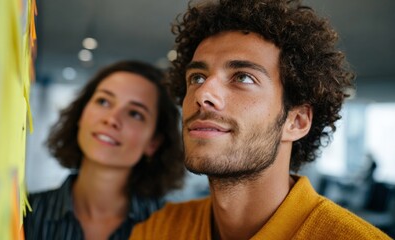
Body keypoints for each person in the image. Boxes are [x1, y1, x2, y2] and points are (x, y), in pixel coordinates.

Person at [129, 0, 391, 239]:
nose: (203, 93)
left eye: (243, 77)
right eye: (197, 78)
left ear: (296, 122)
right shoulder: (158, 230)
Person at [23, 60, 185, 240]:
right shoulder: (24, 215)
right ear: (81, 115)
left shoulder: (173, 229)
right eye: (103, 101)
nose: (112, 119)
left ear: (153, 142)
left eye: (135, 114)